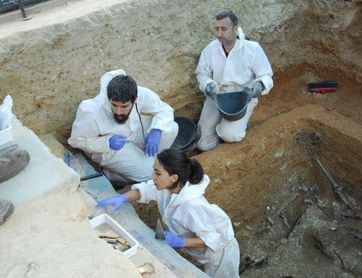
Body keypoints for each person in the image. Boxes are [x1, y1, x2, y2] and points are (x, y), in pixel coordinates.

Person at [97, 149, 240, 278]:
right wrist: (122, 198)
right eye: (154, 171)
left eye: (157, 173)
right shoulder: (167, 188)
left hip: (220, 255)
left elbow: (211, 239)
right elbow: (145, 190)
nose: (153, 177)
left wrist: (180, 242)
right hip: (202, 252)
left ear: (174, 178)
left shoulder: (192, 205)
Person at [68, 69, 178, 184]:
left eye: (124, 106)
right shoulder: (92, 112)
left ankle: (151, 160)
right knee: (151, 174)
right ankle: (114, 175)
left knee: (172, 127)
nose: (118, 111)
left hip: (133, 134)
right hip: (111, 149)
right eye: (114, 105)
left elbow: (164, 109)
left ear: (135, 100)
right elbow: (76, 141)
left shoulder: (141, 94)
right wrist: (107, 142)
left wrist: (156, 130)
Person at [196, 10, 273, 151]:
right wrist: (208, 86)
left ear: (236, 28)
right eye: (217, 29)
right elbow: (202, 74)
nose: (219, 34)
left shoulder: (253, 49)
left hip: (243, 98)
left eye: (224, 29)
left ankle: (227, 128)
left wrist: (257, 88)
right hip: (217, 96)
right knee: (201, 143)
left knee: (230, 135)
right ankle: (217, 146)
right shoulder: (211, 49)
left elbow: (266, 76)